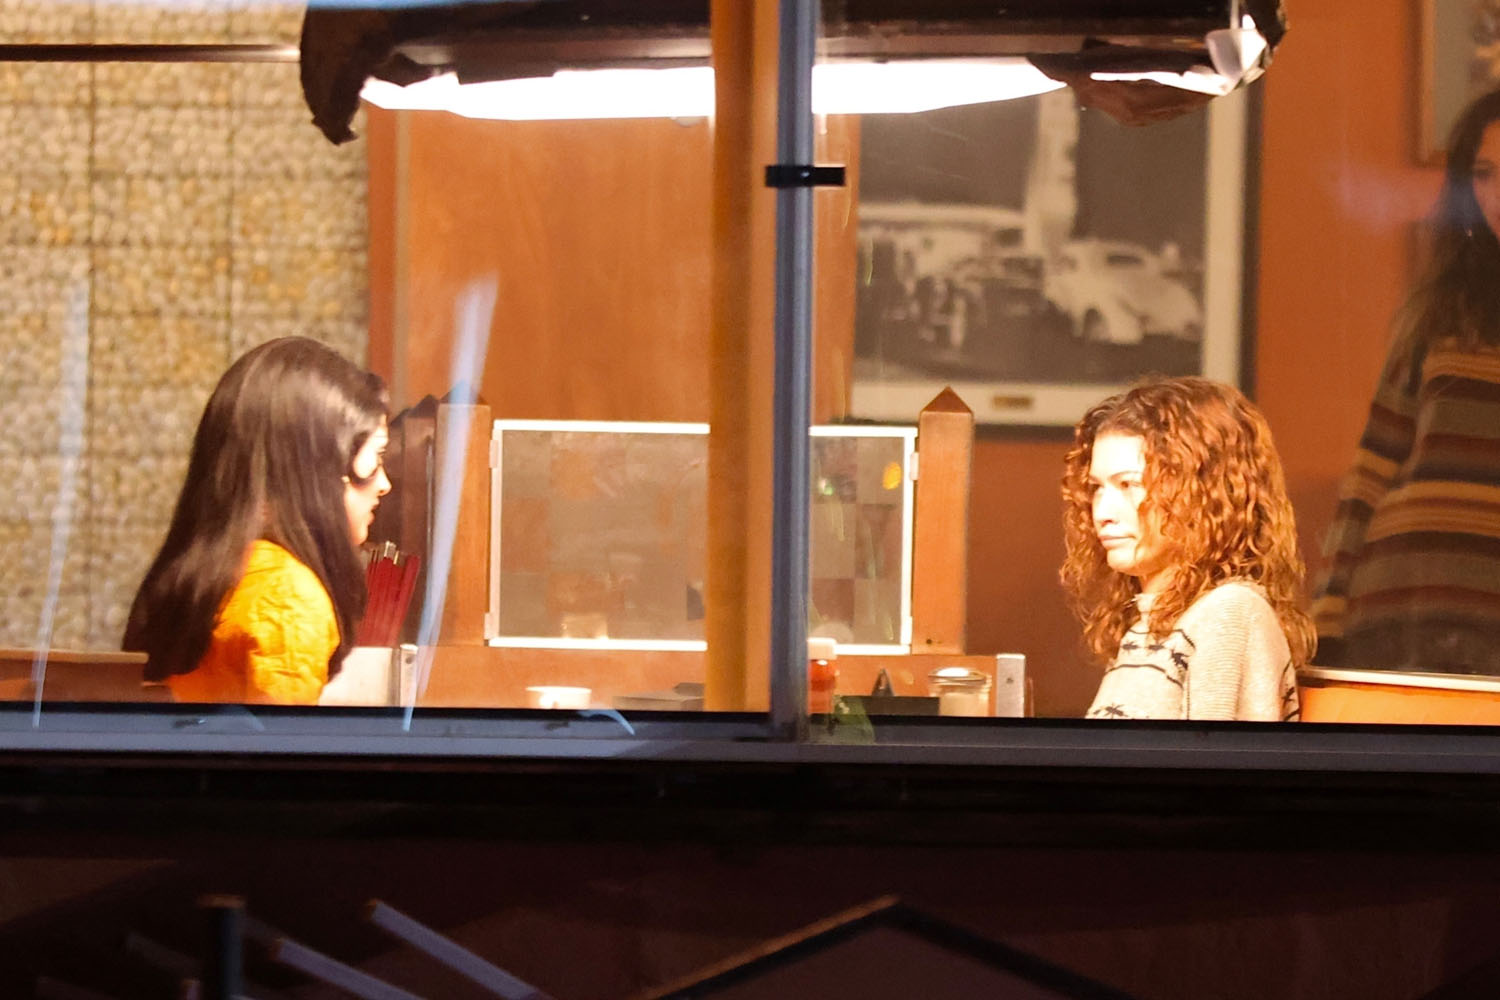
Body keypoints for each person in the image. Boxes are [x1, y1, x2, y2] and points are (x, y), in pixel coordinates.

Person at [1312, 88, 1500, 675]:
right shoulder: (1442, 309)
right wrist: (1326, 616)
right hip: (1404, 597)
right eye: (1484, 174)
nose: (1498, 194)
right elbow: (1373, 468)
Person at [123, 337, 391, 704]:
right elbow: (283, 739)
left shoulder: (217, 570)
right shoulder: (287, 597)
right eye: (376, 458)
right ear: (318, 467)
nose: (384, 484)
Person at [1060, 376, 1313, 721]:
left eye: (1128, 484)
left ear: (1199, 493)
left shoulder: (1229, 613)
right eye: (1097, 488)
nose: (1102, 512)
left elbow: (1215, 754)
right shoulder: (1148, 624)